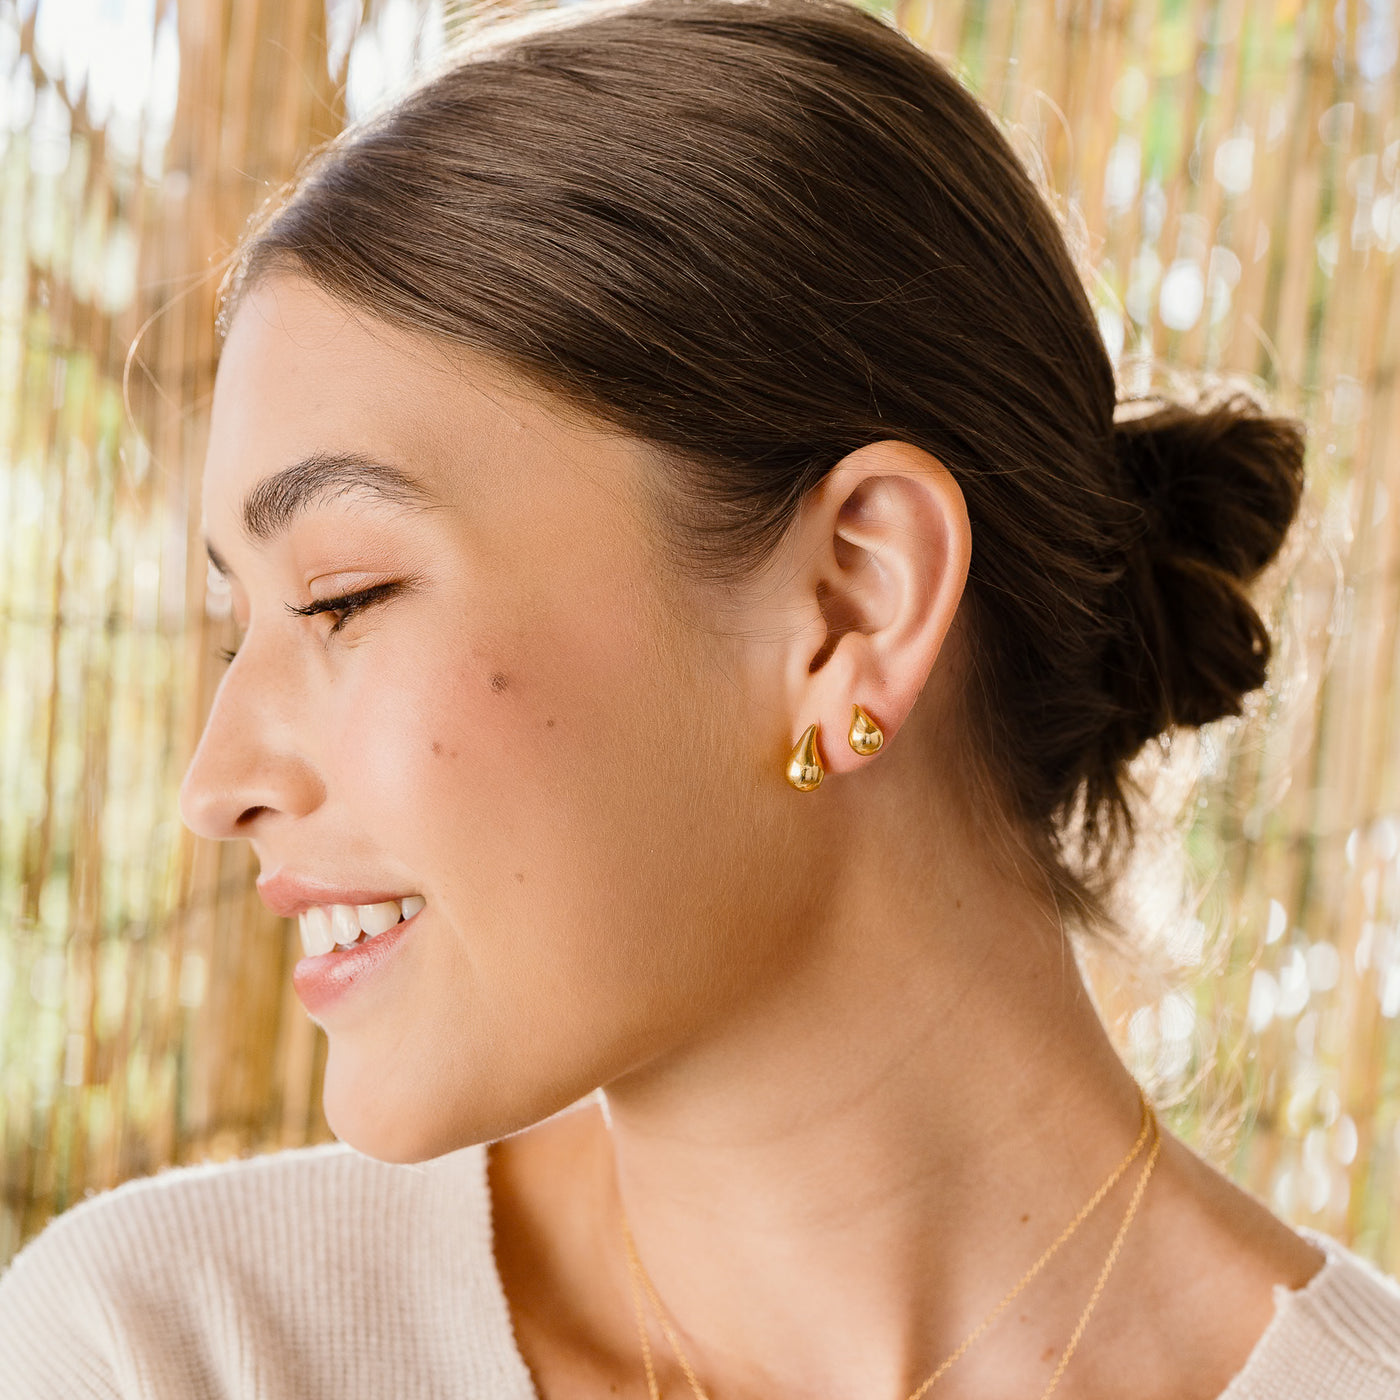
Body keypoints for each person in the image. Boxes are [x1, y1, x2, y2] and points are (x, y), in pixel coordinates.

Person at [2, 0, 1398, 1395]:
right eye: (239, 616)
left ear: (853, 601)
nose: (215, 779)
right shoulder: (172, 1350)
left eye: (343, 597)